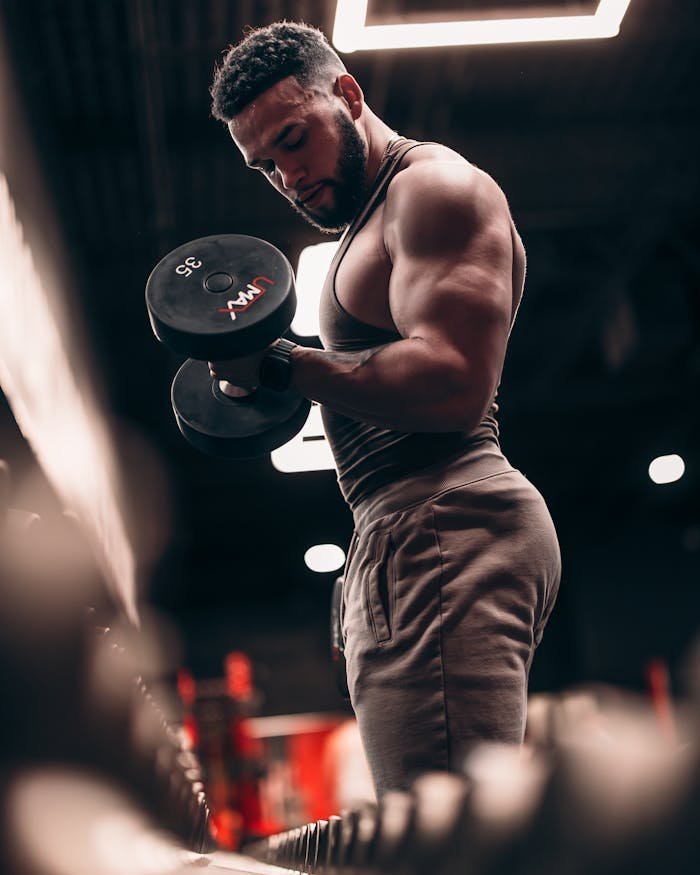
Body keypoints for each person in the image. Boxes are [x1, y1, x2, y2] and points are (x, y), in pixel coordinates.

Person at [208, 21, 561, 795]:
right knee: (433, 829)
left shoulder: (433, 189)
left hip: (447, 521)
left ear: (349, 94)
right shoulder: (373, 219)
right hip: (408, 529)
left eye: (295, 141)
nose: (289, 176)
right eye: (266, 165)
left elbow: (454, 381)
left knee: (446, 844)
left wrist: (282, 362)